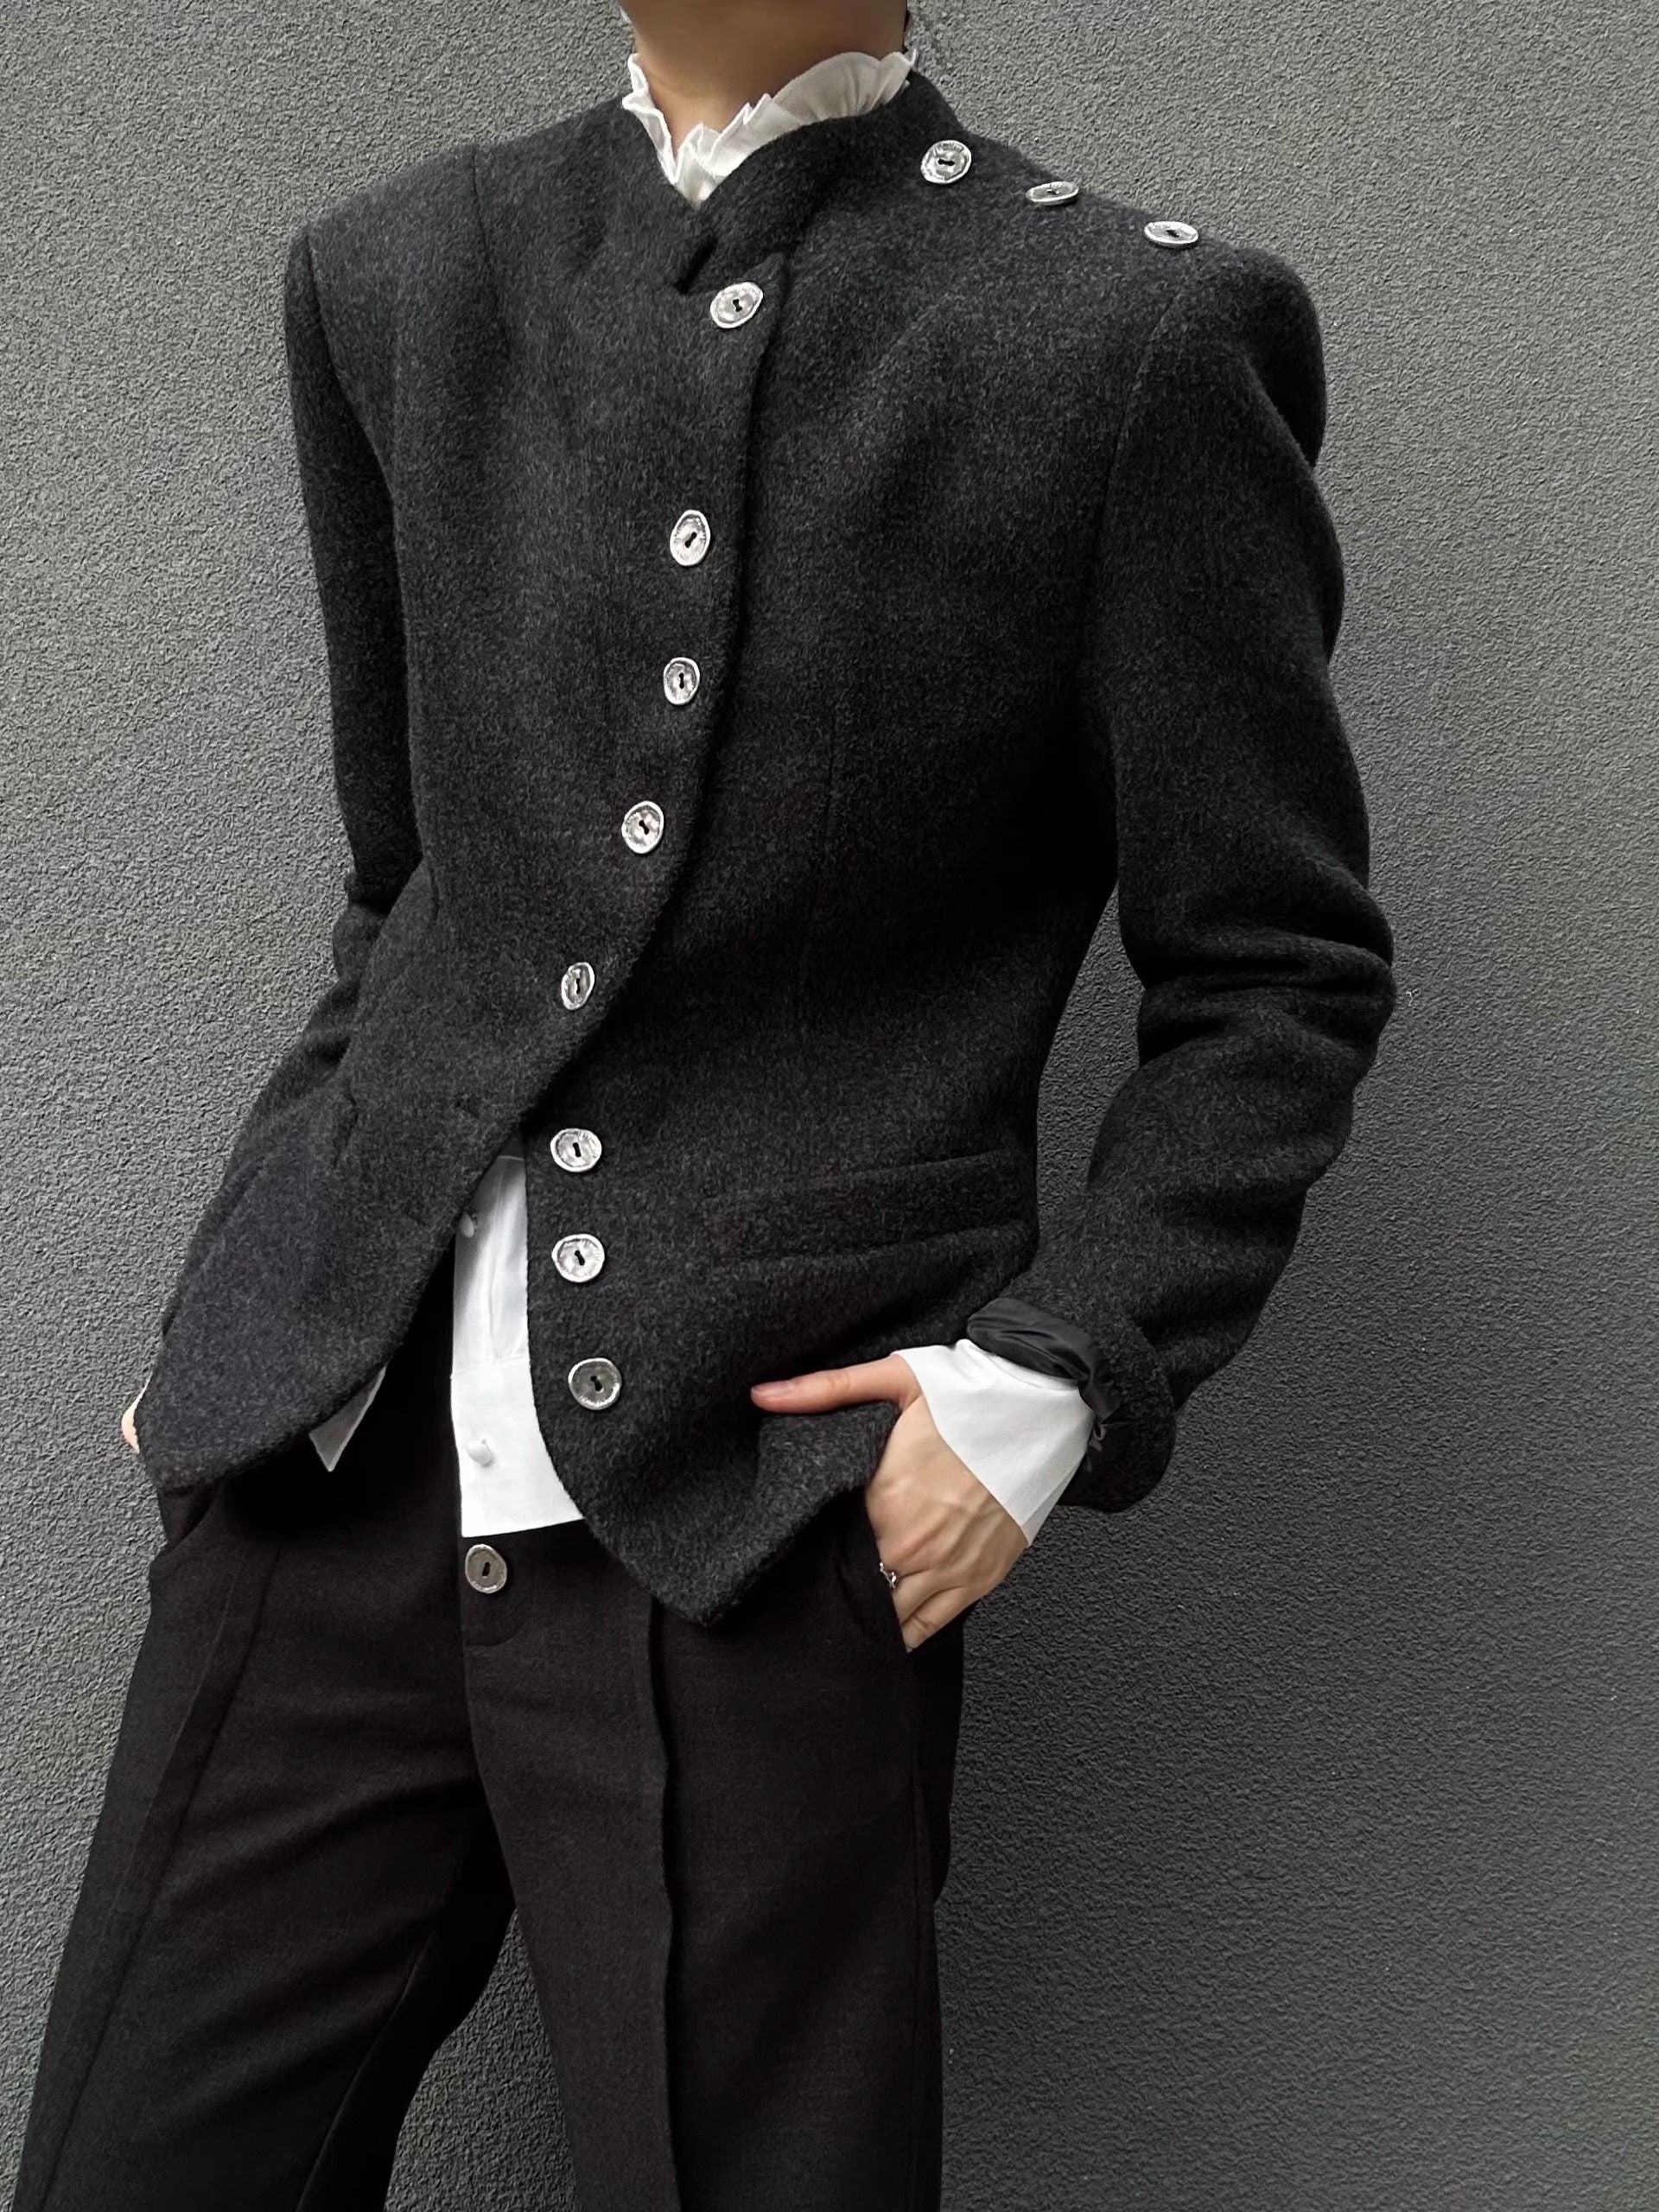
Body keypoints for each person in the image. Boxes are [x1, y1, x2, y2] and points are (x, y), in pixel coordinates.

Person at [11, 2, 1396, 2205]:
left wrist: (1052, 1379)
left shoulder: (1128, 331)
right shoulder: (398, 274)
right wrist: (250, 1282)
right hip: (329, 1470)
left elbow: (1276, 972)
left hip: (761, 1510)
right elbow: (413, 894)